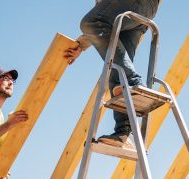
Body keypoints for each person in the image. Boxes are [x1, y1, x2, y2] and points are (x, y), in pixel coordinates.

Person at [64, 0, 159, 148]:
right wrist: (82, 45)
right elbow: (104, 11)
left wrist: (84, 41)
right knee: (117, 69)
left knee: (91, 22)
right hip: (142, 11)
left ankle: (133, 82)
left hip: (132, 4)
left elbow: (98, 19)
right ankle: (124, 133)